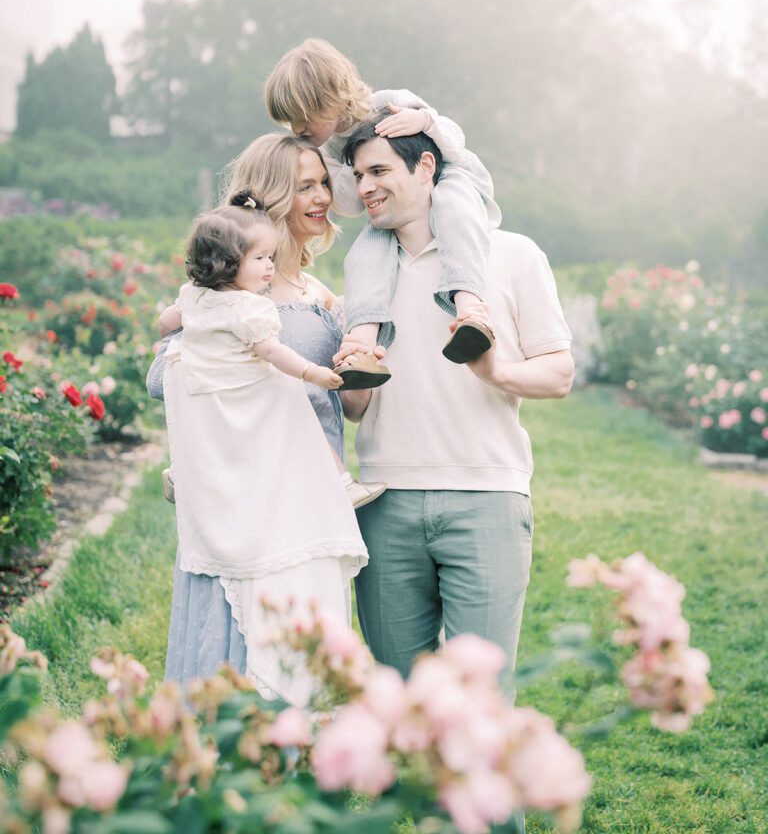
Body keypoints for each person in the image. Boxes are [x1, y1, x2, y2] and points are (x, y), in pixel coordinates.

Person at [337, 112, 575, 687]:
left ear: (425, 167)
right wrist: (350, 378)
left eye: (377, 170)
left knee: (481, 701)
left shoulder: (512, 255)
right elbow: (353, 411)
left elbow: (560, 373)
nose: (364, 187)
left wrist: (494, 370)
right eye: (357, 175)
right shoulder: (364, 271)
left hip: (487, 497)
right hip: (383, 500)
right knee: (397, 696)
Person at [147, 133, 374, 699]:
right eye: (304, 186)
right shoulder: (233, 300)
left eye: (323, 181)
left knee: (303, 663)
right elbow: (163, 378)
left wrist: (363, 362)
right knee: (244, 664)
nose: (322, 196)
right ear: (272, 200)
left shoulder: (314, 290)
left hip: (308, 504)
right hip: (248, 510)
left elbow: (344, 406)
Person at [264, 38, 503, 379]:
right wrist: (331, 168)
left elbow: (454, 139)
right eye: (288, 122)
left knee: (452, 210)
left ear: (329, 98)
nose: (296, 130)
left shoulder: (390, 103)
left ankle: (471, 310)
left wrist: (423, 122)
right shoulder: (329, 151)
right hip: (396, 211)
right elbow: (351, 205)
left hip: (451, 177)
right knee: (366, 253)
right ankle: (361, 346)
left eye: (301, 118)